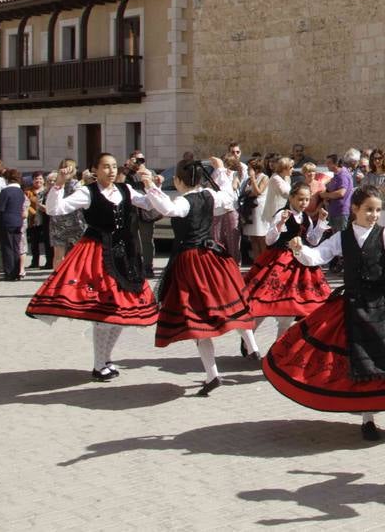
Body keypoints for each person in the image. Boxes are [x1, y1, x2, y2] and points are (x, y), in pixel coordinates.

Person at [263, 186, 385, 441]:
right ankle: (368, 420)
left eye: (377, 210)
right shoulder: (341, 238)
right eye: (369, 210)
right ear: (355, 209)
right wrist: (299, 249)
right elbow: (316, 256)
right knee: (363, 362)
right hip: (355, 307)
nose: (374, 215)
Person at [29, 154, 160, 380]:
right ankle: (99, 365)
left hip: (125, 255)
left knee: (120, 312)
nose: (111, 171)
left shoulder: (126, 190)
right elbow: (54, 209)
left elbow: (150, 205)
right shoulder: (87, 192)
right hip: (97, 255)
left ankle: (106, 358)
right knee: (104, 313)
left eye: (113, 166)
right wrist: (59, 183)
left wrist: (150, 184)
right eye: (105, 167)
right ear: (95, 170)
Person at [142, 159, 260, 395]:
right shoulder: (209, 195)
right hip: (213, 256)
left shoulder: (183, 201)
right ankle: (252, 346)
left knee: (197, 318)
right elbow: (229, 197)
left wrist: (150, 186)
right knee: (231, 301)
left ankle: (213, 374)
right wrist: (221, 171)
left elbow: (168, 209)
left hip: (191, 261)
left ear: (178, 180)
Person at [242, 182, 332, 338]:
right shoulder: (282, 214)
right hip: (280, 261)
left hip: (300, 261)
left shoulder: (306, 217)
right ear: (291, 198)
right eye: (300, 199)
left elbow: (312, 240)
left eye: (307, 199)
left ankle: (279, 343)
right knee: (266, 301)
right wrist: (281, 223)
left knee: (290, 307)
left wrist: (321, 222)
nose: (304, 203)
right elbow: (269, 240)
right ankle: (249, 336)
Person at [0, 169, 26, 281]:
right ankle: (17, 272)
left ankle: (9, 273)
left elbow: (0, 208)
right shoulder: (20, 191)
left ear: (7, 179)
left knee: (7, 247)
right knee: (16, 247)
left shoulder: (6, 191)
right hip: (18, 221)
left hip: (6, 221)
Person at [239, 157, 270, 262]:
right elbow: (245, 192)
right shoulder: (248, 180)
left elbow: (258, 192)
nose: (248, 170)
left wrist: (253, 178)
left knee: (261, 237)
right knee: (253, 238)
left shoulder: (264, 177)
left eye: (249, 168)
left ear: (256, 169)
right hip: (249, 210)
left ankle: (265, 262)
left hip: (259, 210)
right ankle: (256, 262)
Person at [320, 152, 356, 230]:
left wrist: (325, 195)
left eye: (329, 163)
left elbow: (341, 193)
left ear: (336, 163)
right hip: (335, 212)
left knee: (340, 236)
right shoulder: (337, 175)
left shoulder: (343, 175)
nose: (327, 165)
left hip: (340, 212)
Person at [26, 172, 51, 270]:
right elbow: (26, 205)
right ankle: (35, 261)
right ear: (32, 180)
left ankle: (49, 261)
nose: (38, 181)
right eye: (36, 179)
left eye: (40, 178)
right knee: (34, 242)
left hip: (46, 219)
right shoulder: (28, 192)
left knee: (47, 241)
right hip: (34, 220)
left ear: (43, 180)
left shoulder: (47, 190)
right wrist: (34, 213)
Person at [367, 150, 385, 226]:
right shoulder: (369, 174)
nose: (377, 161)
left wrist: (372, 189)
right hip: (373, 208)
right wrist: (378, 188)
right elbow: (365, 190)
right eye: (374, 159)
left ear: (384, 159)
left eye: (379, 158)